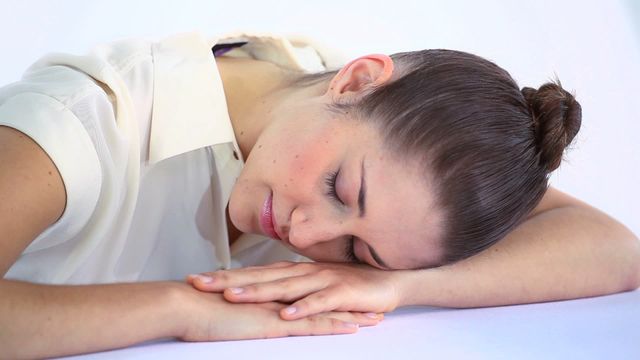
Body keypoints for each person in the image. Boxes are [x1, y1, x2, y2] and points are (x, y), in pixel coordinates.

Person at [0, 30, 638, 359]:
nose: (307, 239)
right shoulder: (80, 124)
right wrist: (179, 310)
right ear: (356, 80)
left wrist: (395, 285)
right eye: (341, 189)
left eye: (356, 250)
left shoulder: (398, 175)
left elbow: (613, 250)